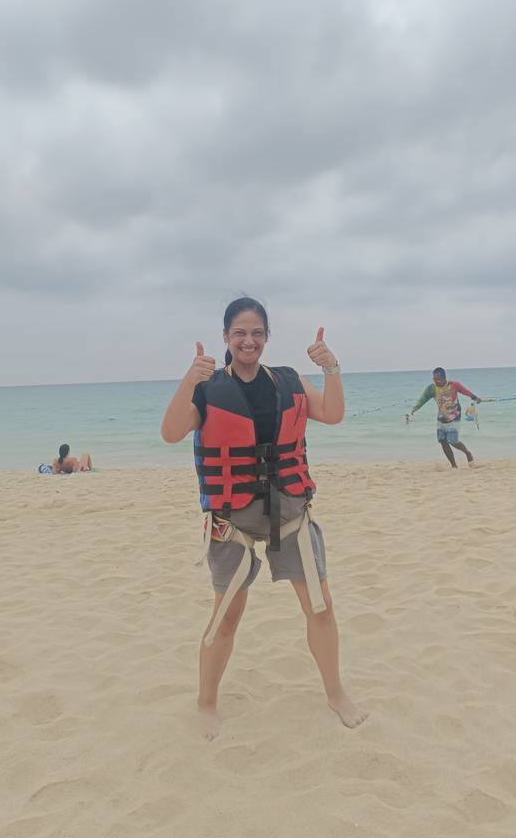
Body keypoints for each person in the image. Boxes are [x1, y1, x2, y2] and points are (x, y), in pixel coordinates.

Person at [161, 296, 366, 740]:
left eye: (256, 333)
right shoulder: (207, 389)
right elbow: (171, 432)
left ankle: (335, 692)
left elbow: (332, 414)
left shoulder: (289, 382)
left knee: (321, 607)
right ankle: (207, 702)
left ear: (267, 337)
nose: (248, 341)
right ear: (225, 338)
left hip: (289, 513)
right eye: (239, 333)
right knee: (227, 616)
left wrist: (332, 368)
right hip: (232, 523)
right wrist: (188, 378)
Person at [407, 367, 481, 467]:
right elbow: (423, 398)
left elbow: (465, 391)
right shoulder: (432, 389)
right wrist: (416, 407)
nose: (435, 381)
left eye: (437, 379)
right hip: (441, 418)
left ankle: (467, 453)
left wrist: (475, 398)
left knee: (453, 441)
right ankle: (454, 466)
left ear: (443, 378)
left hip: (454, 417)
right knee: (442, 441)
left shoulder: (454, 385)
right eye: (434, 379)